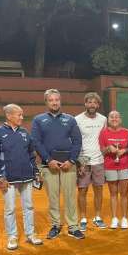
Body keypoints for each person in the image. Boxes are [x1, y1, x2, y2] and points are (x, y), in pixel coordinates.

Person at [0, 104, 44, 250]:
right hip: (8, 179)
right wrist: (0, 177)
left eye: (22, 114)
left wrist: (35, 172)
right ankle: (12, 236)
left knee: (29, 207)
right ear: (9, 116)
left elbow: (31, 155)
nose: (22, 117)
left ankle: (30, 234)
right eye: (19, 115)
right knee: (10, 209)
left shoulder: (24, 132)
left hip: (26, 177)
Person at [31, 89, 84, 239]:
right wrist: (48, 160)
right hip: (49, 165)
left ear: (60, 101)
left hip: (69, 164)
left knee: (70, 197)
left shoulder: (70, 119)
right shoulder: (38, 120)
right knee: (53, 197)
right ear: (46, 102)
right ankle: (55, 225)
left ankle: (73, 226)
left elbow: (77, 141)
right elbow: (36, 142)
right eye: (51, 100)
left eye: (57, 100)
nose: (54, 102)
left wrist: (72, 160)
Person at [75, 92, 107, 231]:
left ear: (98, 105)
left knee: (99, 190)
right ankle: (82, 218)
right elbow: (75, 141)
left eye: (95, 102)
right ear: (85, 104)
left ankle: (98, 217)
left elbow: (104, 139)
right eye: (89, 102)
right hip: (84, 161)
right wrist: (79, 161)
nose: (92, 105)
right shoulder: (77, 119)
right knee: (82, 190)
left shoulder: (103, 119)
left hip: (99, 160)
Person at [99, 111, 128, 229]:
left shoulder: (127, 133)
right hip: (110, 166)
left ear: (120, 119)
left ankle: (124, 218)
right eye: (112, 117)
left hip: (125, 165)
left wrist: (125, 150)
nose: (114, 119)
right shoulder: (103, 133)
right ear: (108, 119)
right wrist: (109, 148)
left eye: (117, 117)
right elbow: (102, 150)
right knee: (113, 194)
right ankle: (114, 218)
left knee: (124, 194)